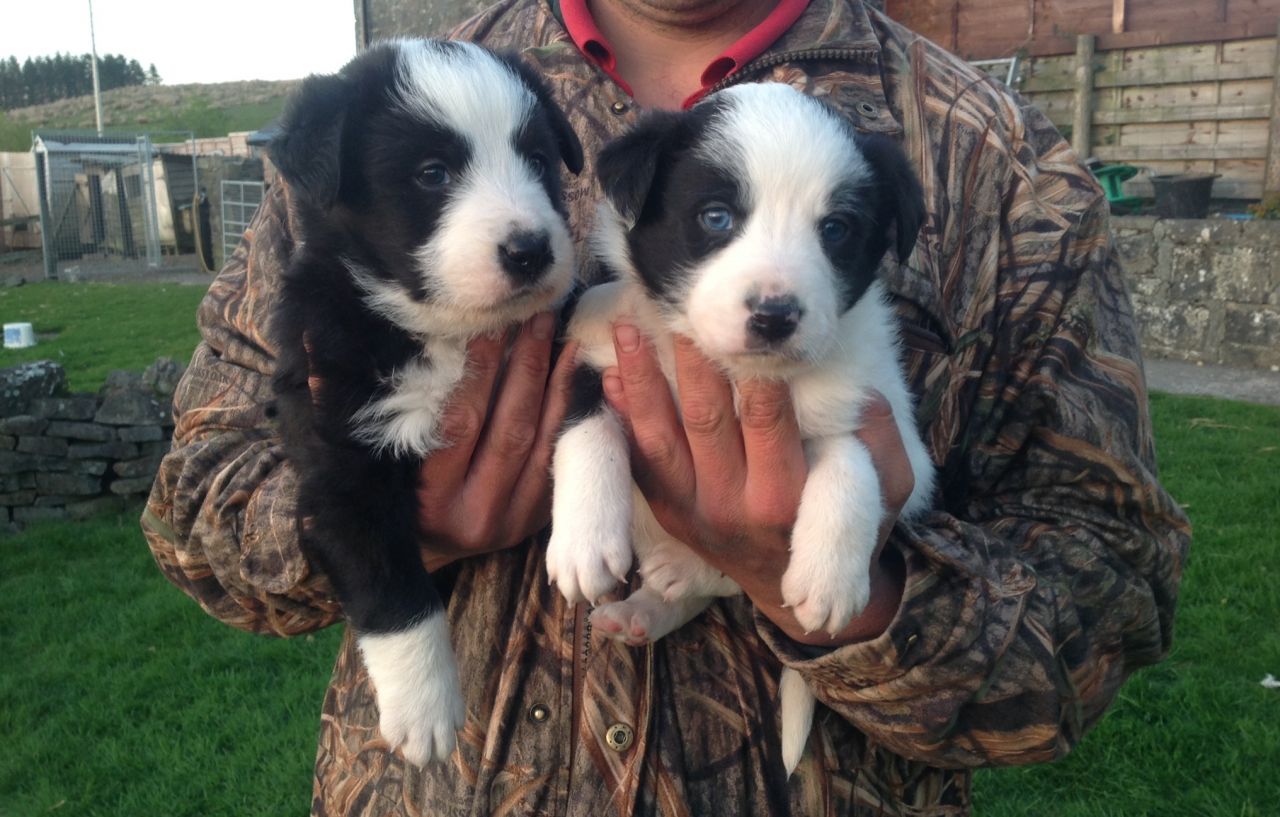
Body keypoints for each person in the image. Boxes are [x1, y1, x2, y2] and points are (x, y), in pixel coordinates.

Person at [141, 0, 1191, 813]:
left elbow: (1111, 590)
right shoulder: (389, 96)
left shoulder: (1004, 163)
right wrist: (389, 518)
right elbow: (196, 500)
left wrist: (863, 608)